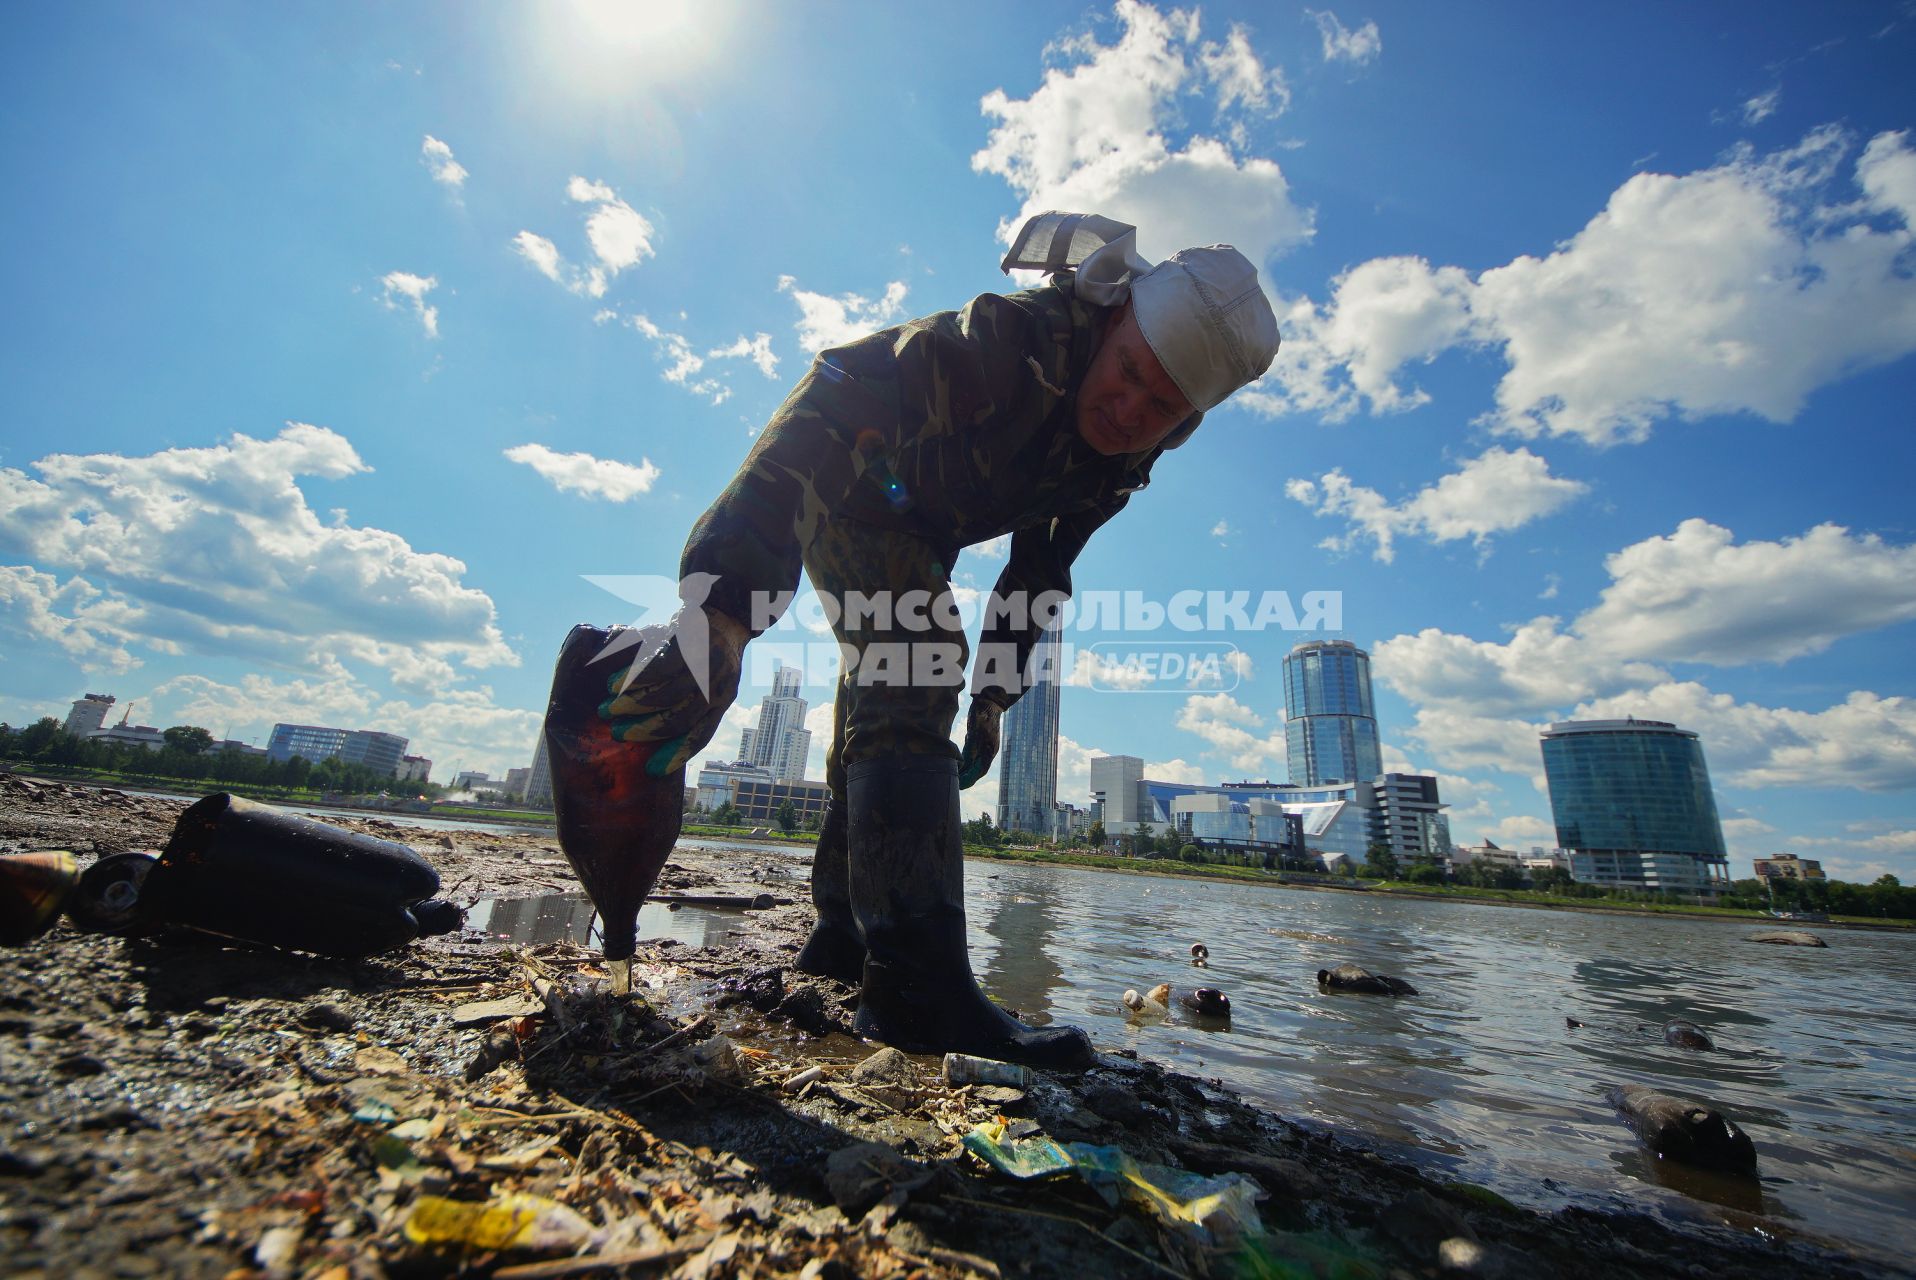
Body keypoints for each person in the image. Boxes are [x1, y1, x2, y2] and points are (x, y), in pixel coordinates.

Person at [555, 212, 1279, 1069]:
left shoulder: (1120, 462)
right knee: (918, 659)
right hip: (852, 489)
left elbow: (1038, 572)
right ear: (1114, 321)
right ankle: (916, 988)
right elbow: (836, 393)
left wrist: (995, 701)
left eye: (1160, 408)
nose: (1127, 412)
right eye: (1126, 375)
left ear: (1186, 422)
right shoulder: (1011, 342)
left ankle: (844, 940)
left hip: (919, 536)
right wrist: (724, 607)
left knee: (881, 707)